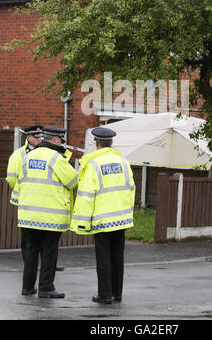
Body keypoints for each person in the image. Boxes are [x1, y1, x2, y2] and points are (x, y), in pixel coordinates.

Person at [70, 126, 136, 305]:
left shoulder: (93, 164)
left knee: (103, 258)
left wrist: (83, 222)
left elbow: (86, 195)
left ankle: (105, 295)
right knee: (118, 257)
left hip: (102, 220)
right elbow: (131, 189)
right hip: (120, 218)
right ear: (112, 143)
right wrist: (128, 215)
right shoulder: (123, 162)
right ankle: (117, 293)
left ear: (96, 143)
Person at [13, 126, 78, 298]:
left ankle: (27, 288)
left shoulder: (28, 156)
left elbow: (20, 183)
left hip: (28, 215)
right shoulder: (56, 158)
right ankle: (46, 288)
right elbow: (72, 181)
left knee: (31, 251)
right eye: (61, 141)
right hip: (50, 216)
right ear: (56, 140)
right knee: (49, 252)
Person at [7, 125, 43, 261]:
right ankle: (28, 262)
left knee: (45, 234)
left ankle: (47, 262)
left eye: (41, 136)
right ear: (28, 137)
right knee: (27, 234)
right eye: (36, 136)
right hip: (27, 199)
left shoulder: (47, 152)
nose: (39, 139)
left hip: (43, 199)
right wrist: (22, 191)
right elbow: (11, 178)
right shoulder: (19, 154)